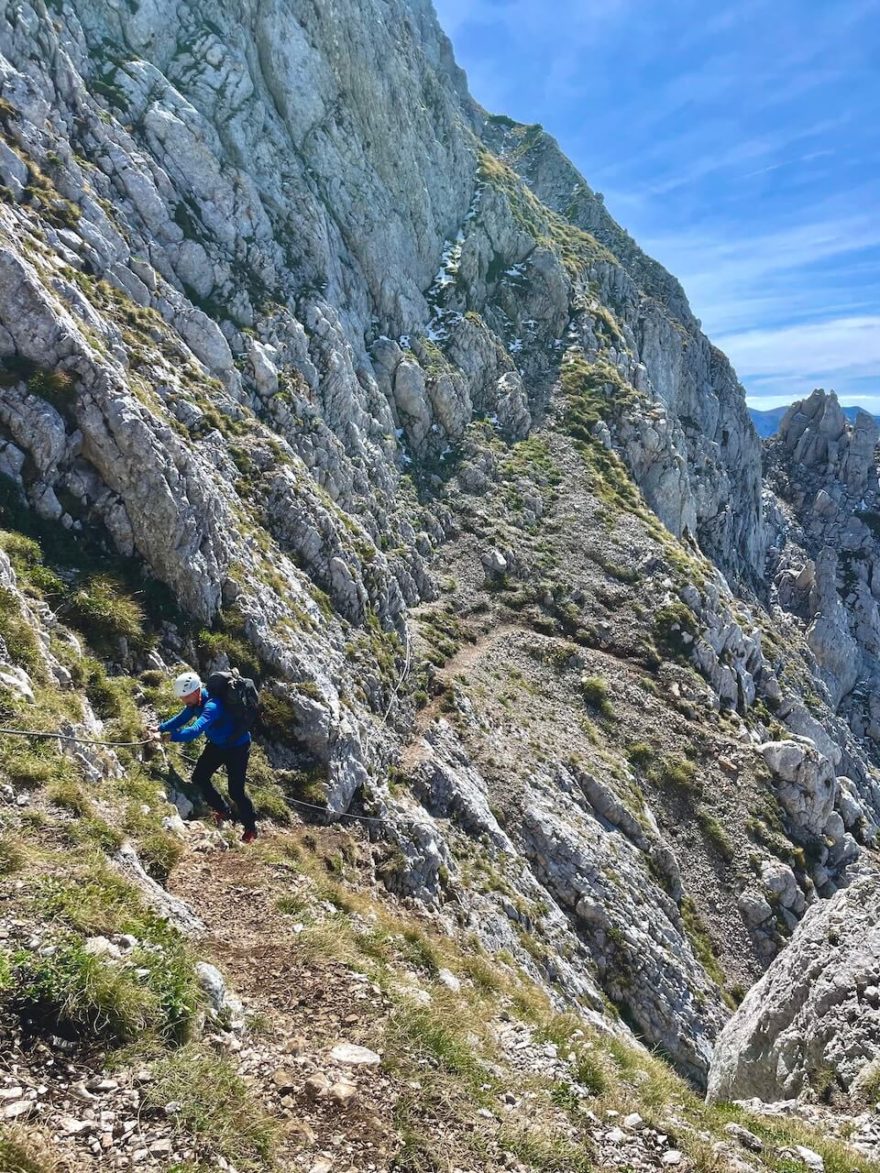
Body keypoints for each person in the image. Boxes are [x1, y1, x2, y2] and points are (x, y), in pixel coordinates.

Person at [154, 669, 258, 844]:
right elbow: (181, 719)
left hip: (238, 748)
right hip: (217, 745)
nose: (183, 700)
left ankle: (250, 828)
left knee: (236, 790)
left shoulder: (212, 706)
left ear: (195, 692)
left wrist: (170, 737)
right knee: (199, 777)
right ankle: (223, 810)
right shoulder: (194, 703)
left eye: (185, 696)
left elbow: (194, 731)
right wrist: (159, 728)